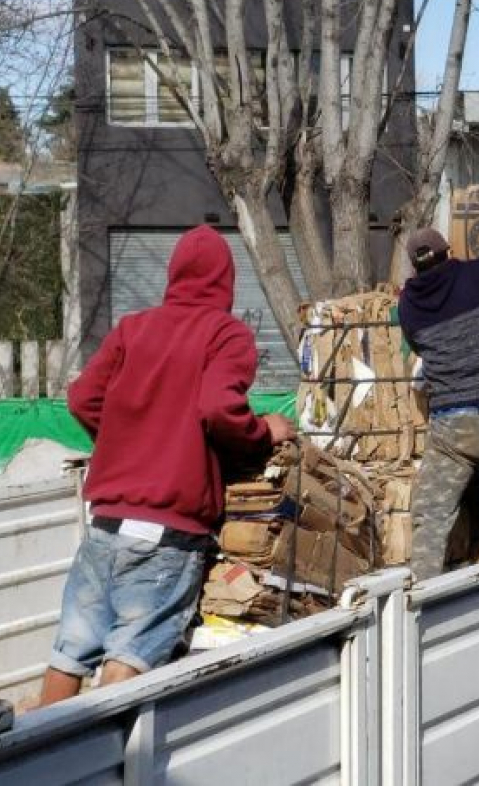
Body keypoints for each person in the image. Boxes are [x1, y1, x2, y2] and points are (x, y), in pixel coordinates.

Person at [40, 226, 295, 706]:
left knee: (69, 653)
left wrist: (128, 441)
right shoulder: (226, 334)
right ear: (227, 282)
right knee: (130, 658)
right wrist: (263, 431)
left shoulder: (133, 328)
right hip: (165, 538)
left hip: (104, 527)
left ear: (172, 273)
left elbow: (82, 397)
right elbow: (219, 407)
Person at [397, 228, 479, 580]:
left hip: (452, 426)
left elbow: (419, 348)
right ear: (449, 251)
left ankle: (422, 595)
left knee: (432, 514)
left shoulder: (408, 304)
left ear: (414, 265)